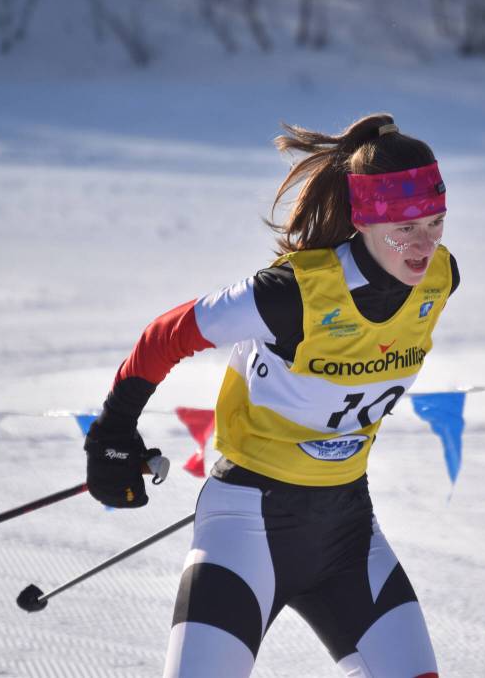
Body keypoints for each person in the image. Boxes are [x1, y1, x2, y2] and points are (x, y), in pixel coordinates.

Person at [83, 113, 459, 677]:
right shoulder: (292, 294)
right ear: (366, 218)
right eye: (405, 228)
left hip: (348, 531)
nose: (423, 245)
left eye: (435, 222)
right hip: (246, 526)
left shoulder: (440, 280)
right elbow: (167, 334)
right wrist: (113, 432)